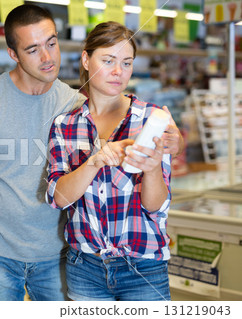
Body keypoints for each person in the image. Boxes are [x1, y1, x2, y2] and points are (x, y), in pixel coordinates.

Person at [0, 5, 182, 300]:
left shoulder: (72, 104)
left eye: (52, 43)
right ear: (13, 54)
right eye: (32, 49)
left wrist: (173, 141)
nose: (47, 58)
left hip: (58, 252)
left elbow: (151, 172)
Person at [46, 21, 173, 301]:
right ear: (85, 59)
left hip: (144, 268)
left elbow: (156, 206)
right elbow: (59, 198)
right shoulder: (64, 125)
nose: (119, 71)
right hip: (85, 268)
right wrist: (94, 162)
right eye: (108, 60)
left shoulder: (150, 120)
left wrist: (151, 170)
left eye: (127, 63)